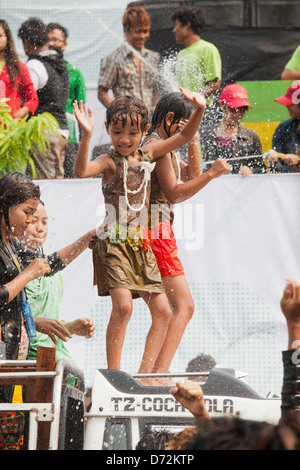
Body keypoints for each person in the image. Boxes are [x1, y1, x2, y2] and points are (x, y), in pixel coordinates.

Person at [73, 88, 207, 376]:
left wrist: (201, 110)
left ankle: (146, 377)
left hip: (141, 244)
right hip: (114, 242)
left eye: (132, 133)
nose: (124, 139)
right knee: (124, 307)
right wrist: (86, 136)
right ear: (107, 129)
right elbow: (82, 171)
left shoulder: (148, 153)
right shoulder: (109, 161)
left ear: (144, 131)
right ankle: (115, 375)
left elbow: (183, 137)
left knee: (163, 312)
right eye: (117, 131)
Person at [141, 92, 229, 377]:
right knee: (184, 307)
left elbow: (190, 177)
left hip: (151, 231)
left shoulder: (160, 144)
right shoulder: (159, 146)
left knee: (165, 312)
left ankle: (150, 375)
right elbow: (175, 193)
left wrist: (194, 142)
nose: (190, 128)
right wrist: (213, 174)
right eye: (186, 123)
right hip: (156, 231)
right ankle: (157, 375)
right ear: (169, 119)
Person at [0, 172, 95, 403]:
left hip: (12, 352)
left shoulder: (10, 243)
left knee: (11, 428)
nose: (29, 221)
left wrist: (87, 239)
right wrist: (28, 274)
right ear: (6, 205)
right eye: (27, 213)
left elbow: (49, 264)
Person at [22, 201, 95, 366]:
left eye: (45, 222)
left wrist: (70, 327)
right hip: (22, 357)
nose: (40, 228)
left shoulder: (54, 277)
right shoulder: (14, 271)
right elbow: (11, 320)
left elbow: (48, 323)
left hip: (52, 356)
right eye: (33, 221)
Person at [18, 17, 70, 179]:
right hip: (61, 131)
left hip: (43, 133)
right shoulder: (60, 63)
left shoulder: (35, 65)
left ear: (26, 42)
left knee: (42, 183)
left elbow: (27, 99)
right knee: (57, 181)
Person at [97, 6, 160, 114]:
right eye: (138, 31)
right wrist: (117, 113)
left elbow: (156, 88)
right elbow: (102, 92)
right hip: (127, 124)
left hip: (149, 122)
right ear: (125, 30)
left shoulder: (153, 58)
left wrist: (155, 107)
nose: (142, 36)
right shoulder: (114, 58)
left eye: (145, 31)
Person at [47, 22, 86, 178]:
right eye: (48, 39)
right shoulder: (38, 70)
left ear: (64, 45)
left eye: (56, 40)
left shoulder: (75, 73)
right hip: (44, 135)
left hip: (69, 137)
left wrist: (83, 143)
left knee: (70, 179)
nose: (52, 43)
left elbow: (82, 108)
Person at [201, 84, 265, 176]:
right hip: (213, 187)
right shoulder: (206, 135)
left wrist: (251, 171)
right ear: (222, 106)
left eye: (242, 109)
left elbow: (261, 168)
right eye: (233, 109)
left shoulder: (251, 136)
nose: (238, 113)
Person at [171, 6, 221, 102]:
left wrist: (194, 100)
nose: (174, 30)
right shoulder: (181, 54)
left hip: (202, 111)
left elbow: (215, 85)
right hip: (184, 111)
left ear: (187, 25)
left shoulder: (207, 49)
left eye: (176, 25)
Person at [0, 19, 38, 119]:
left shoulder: (18, 67)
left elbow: (32, 99)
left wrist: (18, 114)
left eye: (0, 36)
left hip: (11, 129)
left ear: (7, 38)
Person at [265, 80, 300, 173]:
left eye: (291, 103)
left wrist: (298, 162)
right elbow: (276, 173)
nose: (287, 106)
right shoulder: (283, 128)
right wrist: (274, 162)